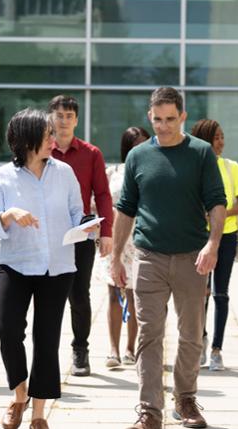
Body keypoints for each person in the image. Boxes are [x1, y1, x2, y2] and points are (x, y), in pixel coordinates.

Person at [111, 87, 227, 429]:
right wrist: (117, 257)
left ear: (183, 117)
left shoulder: (201, 153)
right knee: (149, 334)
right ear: (150, 116)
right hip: (149, 257)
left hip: (193, 257)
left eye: (170, 119)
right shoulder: (138, 157)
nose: (163, 126)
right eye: (157, 119)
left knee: (191, 334)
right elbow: (125, 210)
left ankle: (186, 399)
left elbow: (217, 203)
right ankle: (150, 410)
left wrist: (213, 244)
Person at [0, 109, 98, 429]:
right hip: (14, 264)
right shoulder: (2, 177)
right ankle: (19, 397)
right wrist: (9, 215)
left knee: (46, 339)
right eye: (47, 135)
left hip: (57, 267)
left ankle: (38, 413)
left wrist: (86, 225)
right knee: (8, 332)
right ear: (28, 139)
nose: (54, 139)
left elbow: (78, 212)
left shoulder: (64, 173)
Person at [49, 95, 114, 377]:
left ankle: (80, 349)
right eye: (59, 115)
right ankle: (46, 350)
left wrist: (107, 233)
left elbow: (102, 193)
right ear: (50, 117)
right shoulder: (40, 150)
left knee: (79, 295)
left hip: (81, 234)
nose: (64, 121)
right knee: (48, 295)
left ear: (76, 120)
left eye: (69, 116)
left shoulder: (91, 154)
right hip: (47, 235)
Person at [191, 119, 238, 372]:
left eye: (223, 136)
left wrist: (220, 214)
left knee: (221, 294)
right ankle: (200, 341)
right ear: (204, 139)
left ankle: (217, 349)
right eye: (217, 137)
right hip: (197, 237)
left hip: (226, 237)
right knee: (198, 294)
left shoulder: (231, 167)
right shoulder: (193, 166)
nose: (221, 141)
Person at [95, 127, 150, 369]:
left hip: (142, 239)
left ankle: (131, 348)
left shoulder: (152, 171)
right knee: (114, 294)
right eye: (136, 143)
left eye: (145, 143)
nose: (141, 148)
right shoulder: (113, 173)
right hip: (117, 240)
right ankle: (113, 350)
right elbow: (100, 203)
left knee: (136, 295)